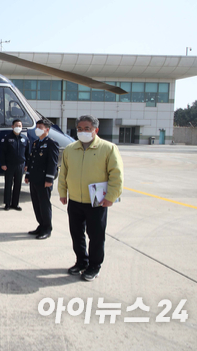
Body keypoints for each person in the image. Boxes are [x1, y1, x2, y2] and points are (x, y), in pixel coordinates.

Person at [58, 115, 123, 281]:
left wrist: (111, 196)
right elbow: (63, 173)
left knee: (96, 236)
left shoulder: (108, 148)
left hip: (97, 201)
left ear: (96, 130)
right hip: (75, 201)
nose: (83, 131)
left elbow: (116, 175)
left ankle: (94, 266)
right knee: (76, 233)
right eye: (80, 129)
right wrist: (63, 192)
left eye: (87, 128)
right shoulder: (70, 149)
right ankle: (81, 261)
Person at [25, 119, 59, 239]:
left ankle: (47, 228)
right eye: (37, 127)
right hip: (34, 179)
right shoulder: (36, 143)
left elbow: (52, 163)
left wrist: (49, 180)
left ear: (47, 130)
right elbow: (31, 160)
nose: (37, 129)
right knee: (36, 203)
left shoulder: (51, 143)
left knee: (44, 204)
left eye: (40, 127)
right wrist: (28, 175)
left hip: (44, 180)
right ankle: (41, 225)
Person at [0, 119, 30, 211]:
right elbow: (2, 152)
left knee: (18, 185)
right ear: (12, 126)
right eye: (16, 125)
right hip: (9, 165)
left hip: (20, 165)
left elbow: (27, 153)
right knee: (8, 185)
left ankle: (15, 204)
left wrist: (27, 165)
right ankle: (7, 204)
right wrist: (3, 164)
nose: (18, 127)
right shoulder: (7, 138)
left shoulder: (25, 139)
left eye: (20, 126)